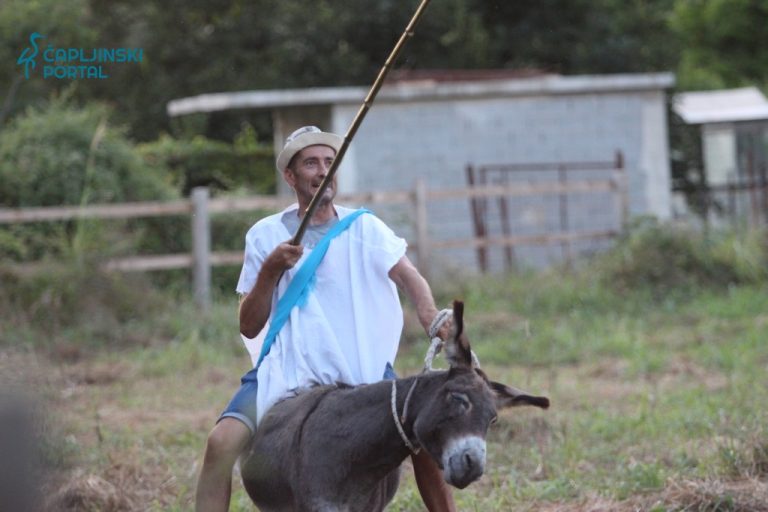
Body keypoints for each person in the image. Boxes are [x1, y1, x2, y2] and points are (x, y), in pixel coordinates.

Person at [195, 126, 456, 511]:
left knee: (421, 433)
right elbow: (248, 325)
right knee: (220, 444)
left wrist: (430, 313)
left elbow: (408, 275)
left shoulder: (364, 226)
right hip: (285, 367)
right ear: (291, 176)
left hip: (361, 365)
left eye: (329, 163)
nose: (322, 171)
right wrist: (270, 270)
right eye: (311, 163)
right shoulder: (265, 235)